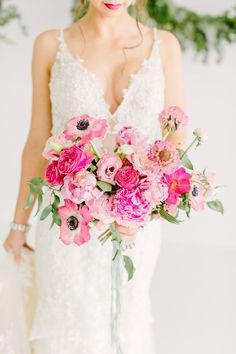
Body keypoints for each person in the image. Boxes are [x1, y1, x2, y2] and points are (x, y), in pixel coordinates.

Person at [2, 0, 187, 353]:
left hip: (136, 231)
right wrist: (19, 225)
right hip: (67, 228)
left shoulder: (165, 46)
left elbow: (175, 144)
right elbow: (37, 142)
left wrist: (146, 210)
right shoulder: (50, 45)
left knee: (127, 325)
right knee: (66, 330)